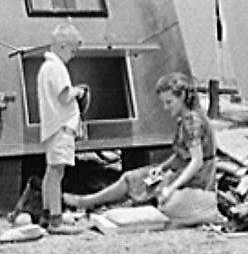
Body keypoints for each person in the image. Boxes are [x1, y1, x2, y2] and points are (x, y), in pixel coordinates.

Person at [63, 72, 217, 217]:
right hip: (185, 170)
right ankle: (89, 201)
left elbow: (196, 162)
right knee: (134, 177)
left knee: (138, 183)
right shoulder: (185, 119)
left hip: (198, 178)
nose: (166, 107)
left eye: (169, 102)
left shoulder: (191, 122)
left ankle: (87, 202)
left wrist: (172, 187)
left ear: (182, 96)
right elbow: (181, 155)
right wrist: (162, 167)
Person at [38, 23, 88, 235]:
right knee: (57, 172)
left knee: (51, 172)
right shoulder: (57, 67)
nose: (73, 56)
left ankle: (46, 213)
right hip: (61, 128)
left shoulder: (46, 67)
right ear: (62, 46)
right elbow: (64, 95)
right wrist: (79, 91)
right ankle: (56, 221)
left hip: (53, 128)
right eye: (73, 51)